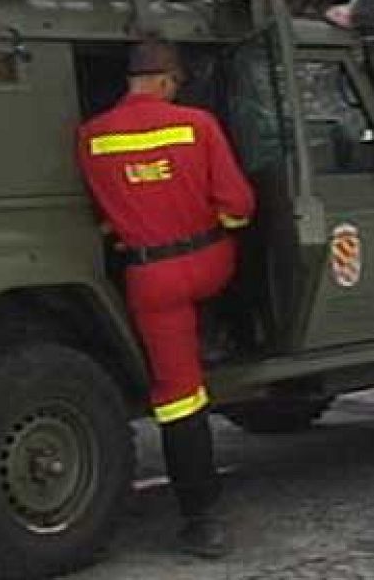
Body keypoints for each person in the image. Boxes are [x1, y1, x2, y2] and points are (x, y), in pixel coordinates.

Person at [75, 38, 255, 558]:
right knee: (252, 268)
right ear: (164, 80)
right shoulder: (197, 124)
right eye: (175, 84)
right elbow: (238, 203)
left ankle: (201, 520)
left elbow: (102, 214)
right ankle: (222, 334)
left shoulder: (92, 137)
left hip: (151, 279)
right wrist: (224, 226)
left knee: (179, 398)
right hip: (210, 264)